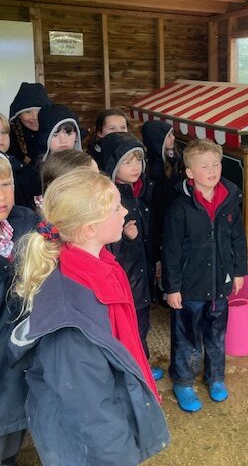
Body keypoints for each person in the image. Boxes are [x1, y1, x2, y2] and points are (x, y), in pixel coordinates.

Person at [9, 168, 170, 466]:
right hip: (95, 449)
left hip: (114, 406)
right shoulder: (70, 320)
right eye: (115, 208)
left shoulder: (101, 264)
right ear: (89, 229)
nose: (124, 211)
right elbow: (91, 411)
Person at [163, 138, 247, 412]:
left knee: (216, 333)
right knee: (187, 335)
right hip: (190, 286)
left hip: (220, 281)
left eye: (216, 164)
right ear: (189, 173)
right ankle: (184, 381)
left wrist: (238, 271)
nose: (212, 170)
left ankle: (215, 377)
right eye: (204, 166)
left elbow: (237, 236)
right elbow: (172, 250)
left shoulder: (230, 197)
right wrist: (172, 287)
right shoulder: (180, 207)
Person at [100, 131, 163, 381]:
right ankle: (130, 373)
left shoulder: (141, 193)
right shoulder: (110, 201)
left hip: (142, 278)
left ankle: (142, 366)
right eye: (127, 161)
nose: (136, 166)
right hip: (125, 281)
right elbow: (103, 250)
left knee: (142, 326)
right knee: (126, 329)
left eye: (138, 160)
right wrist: (124, 237)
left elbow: (152, 234)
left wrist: (156, 261)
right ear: (113, 165)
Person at [0, 154, 37, 466]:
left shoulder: (27, 222)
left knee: (12, 427)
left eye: (7, 184)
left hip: (20, 349)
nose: (2, 196)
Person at [141, 120, 184, 297]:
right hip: (162, 215)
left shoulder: (172, 159)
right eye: (169, 136)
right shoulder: (155, 168)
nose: (174, 138)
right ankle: (162, 291)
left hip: (172, 212)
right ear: (158, 140)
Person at [14, 103, 84, 210]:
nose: (63, 140)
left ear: (76, 135)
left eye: (68, 133)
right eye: (54, 135)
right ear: (44, 137)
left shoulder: (87, 166)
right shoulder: (30, 176)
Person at [8, 82, 51, 165]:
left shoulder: (55, 133)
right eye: (28, 112)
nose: (35, 117)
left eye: (39, 111)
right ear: (18, 115)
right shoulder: (9, 138)